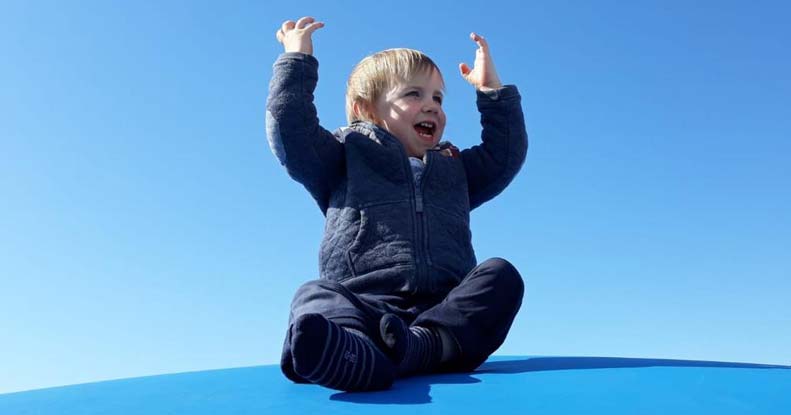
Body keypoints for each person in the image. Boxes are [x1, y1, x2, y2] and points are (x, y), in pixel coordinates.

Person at [266, 16, 528, 392]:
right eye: (414, 94)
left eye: (438, 97)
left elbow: (504, 156)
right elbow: (290, 131)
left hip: (444, 311)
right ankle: (353, 354)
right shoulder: (343, 157)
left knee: (501, 277)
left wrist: (492, 94)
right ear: (365, 110)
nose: (432, 106)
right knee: (313, 294)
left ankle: (420, 348)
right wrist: (297, 61)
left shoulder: (454, 168)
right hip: (366, 304)